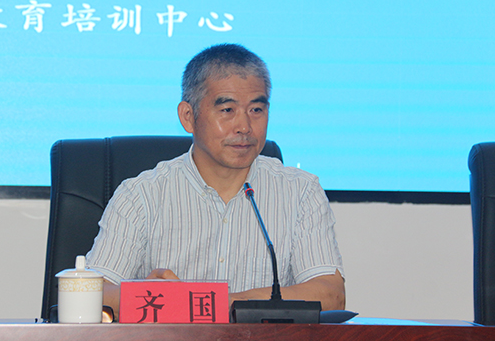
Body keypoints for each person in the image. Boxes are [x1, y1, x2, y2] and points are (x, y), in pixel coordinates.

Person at [86, 43, 345, 317]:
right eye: (227, 110)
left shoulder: (300, 191)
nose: (244, 127)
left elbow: (331, 294)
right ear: (188, 117)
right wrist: (150, 295)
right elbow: (93, 291)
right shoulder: (141, 195)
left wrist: (212, 303)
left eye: (256, 110)